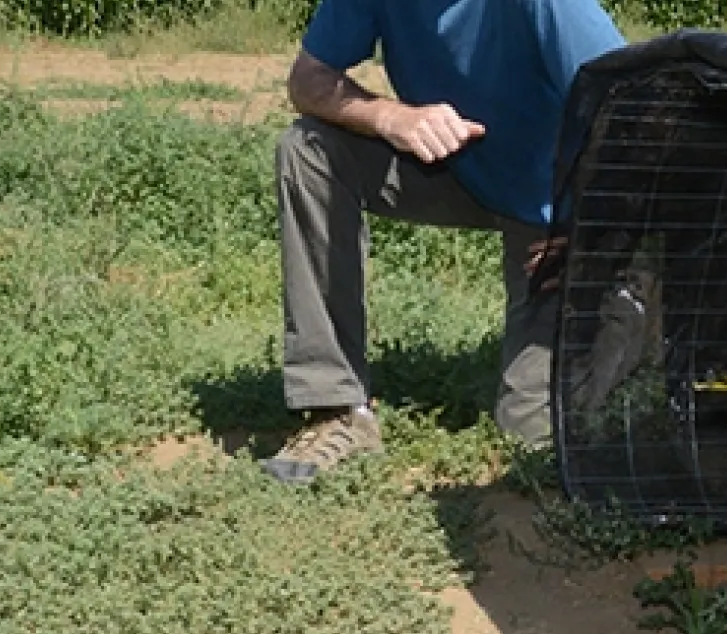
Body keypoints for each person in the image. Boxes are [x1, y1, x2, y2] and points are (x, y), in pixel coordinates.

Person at [261, 0, 627, 485]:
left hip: (553, 210)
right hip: (450, 169)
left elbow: (632, 111)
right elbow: (307, 78)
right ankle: (336, 408)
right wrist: (391, 118)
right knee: (307, 150)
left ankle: (633, 311)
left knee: (533, 436)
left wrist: (588, 227)